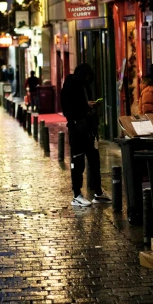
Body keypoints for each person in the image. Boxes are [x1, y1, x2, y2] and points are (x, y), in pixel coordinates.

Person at [61, 63, 110, 207]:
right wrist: (85, 106)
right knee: (78, 163)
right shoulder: (69, 88)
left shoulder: (85, 87)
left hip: (89, 129)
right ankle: (77, 195)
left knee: (94, 161)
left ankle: (98, 193)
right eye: (86, 77)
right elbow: (68, 110)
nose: (88, 80)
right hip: (77, 130)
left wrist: (90, 106)